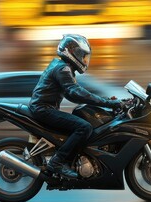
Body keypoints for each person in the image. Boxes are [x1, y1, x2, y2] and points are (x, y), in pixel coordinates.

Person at [29, 34, 122, 179]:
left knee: (82, 118)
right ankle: (57, 162)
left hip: (44, 108)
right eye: (81, 55)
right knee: (84, 127)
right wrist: (108, 103)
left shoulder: (62, 67)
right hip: (44, 110)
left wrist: (104, 101)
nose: (84, 59)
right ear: (71, 52)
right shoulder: (63, 69)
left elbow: (71, 94)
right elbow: (76, 92)